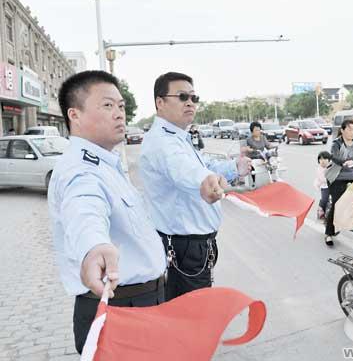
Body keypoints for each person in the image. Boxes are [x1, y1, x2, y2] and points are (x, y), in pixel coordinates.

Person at [48, 71, 166, 354]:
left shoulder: (105, 163)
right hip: (119, 308)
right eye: (107, 105)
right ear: (74, 115)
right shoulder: (80, 170)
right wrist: (94, 247)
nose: (119, 114)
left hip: (141, 302)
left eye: (121, 106)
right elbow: (84, 209)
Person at [139, 72, 251, 300]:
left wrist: (233, 167)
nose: (190, 102)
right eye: (182, 96)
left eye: (193, 97)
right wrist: (206, 181)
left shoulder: (178, 136)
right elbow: (185, 169)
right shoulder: (163, 142)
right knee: (191, 321)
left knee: (189, 315)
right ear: (160, 102)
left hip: (192, 246)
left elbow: (201, 163)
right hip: (184, 248)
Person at [314, 151, 331, 220]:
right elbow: (322, 179)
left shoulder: (332, 166)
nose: (322, 161)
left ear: (329, 160)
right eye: (320, 159)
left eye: (325, 159)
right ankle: (321, 211)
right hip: (324, 186)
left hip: (333, 185)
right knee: (325, 199)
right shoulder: (319, 169)